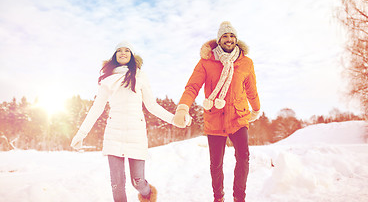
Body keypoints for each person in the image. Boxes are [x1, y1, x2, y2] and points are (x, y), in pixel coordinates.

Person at [71, 41, 186, 202]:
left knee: (137, 182)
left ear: (132, 55)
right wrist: (81, 133)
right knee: (117, 184)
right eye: (119, 50)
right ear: (114, 55)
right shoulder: (107, 79)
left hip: (136, 134)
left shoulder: (140, 76)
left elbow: (152, 105)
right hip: (113, 134)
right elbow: (96, 108)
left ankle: (148, 195)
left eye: (127, 50)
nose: (123, 53)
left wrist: (174, 120)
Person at [173, 21, 261, 202]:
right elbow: (193, 87)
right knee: (216, 163)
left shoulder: (246, 62)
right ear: (219, 40)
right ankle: (218, 198)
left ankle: (239, 198)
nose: (229, 39)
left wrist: (256, 108)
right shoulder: (206, 62)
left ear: (236, 39)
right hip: (215, 119)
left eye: (231, 36)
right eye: (225, 36)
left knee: (243, 158)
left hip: (238, 117)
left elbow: (251, 88)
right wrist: (183, 107)